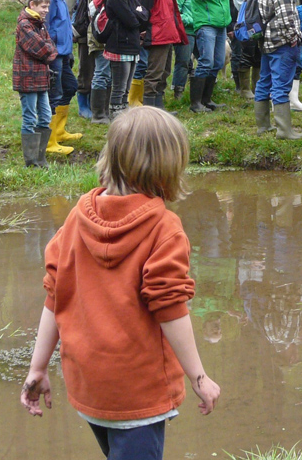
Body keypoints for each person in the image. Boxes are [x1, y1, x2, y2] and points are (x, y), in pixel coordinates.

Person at [20, 106, 221, 460]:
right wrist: (199, 377)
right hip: (138, 392)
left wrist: (38, 368)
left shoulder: (77, 217)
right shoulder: (164, 228)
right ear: (169, 166)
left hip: (90, 386)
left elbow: (55, 295)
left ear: (110, 157)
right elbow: (170, 307)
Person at [185, 0, 246, 113]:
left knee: (218, 61)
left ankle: (207, 100)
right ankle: (195, 103)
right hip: (205, 22)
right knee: (206, 61)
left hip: (221, 23)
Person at [254, 0, 302, 139]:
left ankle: (263, 127)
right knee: (281, 84)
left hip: (266, 41)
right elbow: (287, 17)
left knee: (264, 81)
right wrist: (294, 38)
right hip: (282, 43)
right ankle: (285, 130)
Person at [38, 0, 83, 154]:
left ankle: (60, 131)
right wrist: (49, 53)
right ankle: (49, 142)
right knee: (53, 96)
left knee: (70, 87)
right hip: (53, 54)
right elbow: (43, 27)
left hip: (63, 51)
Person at [138, 0, 187, 108]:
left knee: (164, 73)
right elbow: (143, 11)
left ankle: (159, 108)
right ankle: (150, 112)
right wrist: (144, 32)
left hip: (167, 35)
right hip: (157, 36)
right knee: (154, 74)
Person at [14, 0, 58, 168]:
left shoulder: (40, 24)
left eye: (47, 7)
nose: (46, 10)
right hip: (27, 78)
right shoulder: (25, 25)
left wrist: (48, 50)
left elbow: (51, 48)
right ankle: (31, 161)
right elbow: (43, 49)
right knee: (30, 118)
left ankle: (40, 158)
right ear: (32, 5)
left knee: (45, 116)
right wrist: (48, 50)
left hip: (41, 78)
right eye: (43, 7)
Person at [101, 0, 146, 119]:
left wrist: (138, 14)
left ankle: (125, 115)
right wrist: (138, 14)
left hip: (133, 45)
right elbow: (132, 21)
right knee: (119, 86)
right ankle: (116, 116)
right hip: (120, 46)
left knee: (127, 87)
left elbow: (144, 15)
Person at [64, 0, 103, 120]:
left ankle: (94, 103)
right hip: (82, 33)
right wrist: (71, 32)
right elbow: (68, 7)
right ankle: (83, 105)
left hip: (95, 32)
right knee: (86, 69)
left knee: (96, 69)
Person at [85, 0, 124, 124]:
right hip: (100, 35)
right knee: (101, 72)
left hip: (107, 34)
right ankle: (98, 114)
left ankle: (104, 112)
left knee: (106, 73)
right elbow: (98, 14)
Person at [232, 0, 265, 100]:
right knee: (246, 52)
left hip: (263, 20)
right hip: (247, 21)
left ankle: (257, 86)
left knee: (259, 52)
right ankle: (244, 88)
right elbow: (238, 1)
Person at [170, 0, 195, 99]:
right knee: (183, 61)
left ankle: (198, 91)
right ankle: (178, 93)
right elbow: (176, 12)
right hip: (185, 32)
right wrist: (192, 21)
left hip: (199, 30)